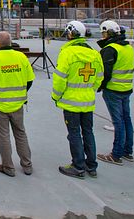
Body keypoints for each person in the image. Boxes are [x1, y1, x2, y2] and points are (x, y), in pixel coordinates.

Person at [52, 20, 104, 179]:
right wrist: (89, 90)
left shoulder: (67, 53)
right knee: (88, 132)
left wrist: (56, 96)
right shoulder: (94, 53)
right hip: (88, 101)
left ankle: (78, 166)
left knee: (74, 133)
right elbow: (100, 77)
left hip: (70, 102)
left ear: (70, 33)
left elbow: (60, 78)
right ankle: (91, 165)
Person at [0, 31, 34, 177]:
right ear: (10, 42)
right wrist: (20, 94)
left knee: (3, 135)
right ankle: (27, 165)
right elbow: (30, 80)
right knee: (20, 132)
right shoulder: (21, 57)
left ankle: (8, 167)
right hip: (18, 102)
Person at [95, 21, 134, 166]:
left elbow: (106, 72)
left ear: (107, 33)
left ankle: (116, 154)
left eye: (103, 33)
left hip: (113, 89)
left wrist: (99, 86)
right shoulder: (128, 47)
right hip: (126, 88)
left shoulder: (110, 49)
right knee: (126, 119)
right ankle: (127, 151)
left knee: (118, 122)